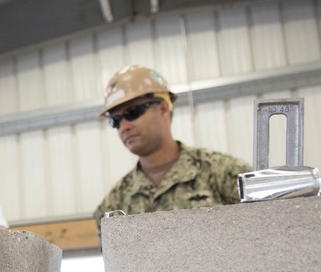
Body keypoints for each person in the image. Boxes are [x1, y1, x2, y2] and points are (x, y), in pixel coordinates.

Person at [93, 65, 252, 240]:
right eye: (115, 121)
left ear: (162, 108)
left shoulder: (227, 175)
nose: (124, 127)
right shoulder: (113, 204)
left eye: (133, 112)